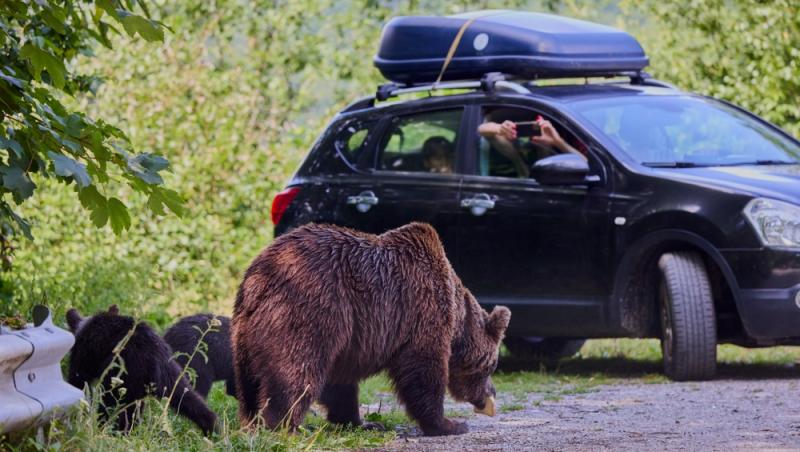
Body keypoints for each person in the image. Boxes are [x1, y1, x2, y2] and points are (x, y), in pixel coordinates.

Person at [478, 115, 586, 178]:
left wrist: (557, 141)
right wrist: (500, 129)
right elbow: (482, 129)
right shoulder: (511, 147)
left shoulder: (555, 150)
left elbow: (588, 165)